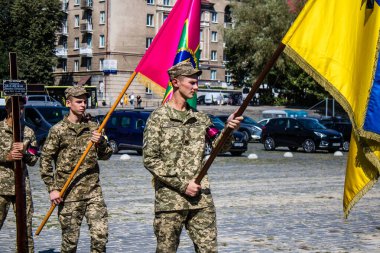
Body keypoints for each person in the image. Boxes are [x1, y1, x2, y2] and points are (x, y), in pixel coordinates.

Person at [143, 61, 243, 253]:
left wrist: (228, 130)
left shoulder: (201, 118)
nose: (196, 87)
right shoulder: (158, 118)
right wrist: (182, 185)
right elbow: (150, 159)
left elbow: (218, 148)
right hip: (170, 201)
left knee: (208, 250)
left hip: (200, 199)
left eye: (197, 83)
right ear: (176, 83)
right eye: (192, 83)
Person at [40, 86, 113, 253]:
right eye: (79, 101)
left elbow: (106, 155)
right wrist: (52, 189)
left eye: (85, 101)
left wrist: (100, 142)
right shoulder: (58, 130)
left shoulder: (94, 127)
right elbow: (45, 160)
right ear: (68, 103)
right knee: (70, 243)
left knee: (100, 236)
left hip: (93, 192)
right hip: (68, 194)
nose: (83, 105)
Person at [0, 97, 38, 253]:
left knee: (25, 228)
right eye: (16, 107)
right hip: (1, 187)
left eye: (22, 108)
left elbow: (33, 158)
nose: (20, 111)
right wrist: (6, 156)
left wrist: (25, 151)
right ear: (8, 109)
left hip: (21, 187)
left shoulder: (28, 132)